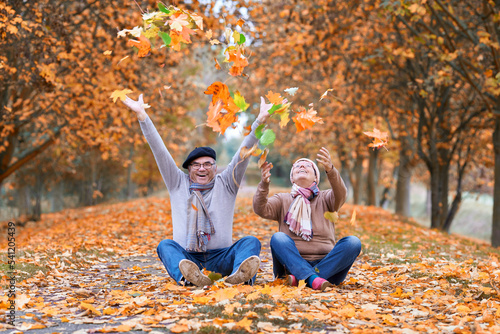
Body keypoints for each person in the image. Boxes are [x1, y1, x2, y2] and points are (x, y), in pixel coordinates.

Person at [123, 94, 271, 287]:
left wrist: (259, 121)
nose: (202, 168)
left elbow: (243, 153)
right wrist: (143, 116)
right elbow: (159, 150)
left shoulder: (226, 183)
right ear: (189, 169)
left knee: (251, 241)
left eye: (207, 164)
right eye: (196, 165)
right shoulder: (177, 182)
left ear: (215, 167)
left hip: (221, 257)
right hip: (187, 259)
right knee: (165, 246)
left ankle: (239, 277)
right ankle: (189, 279)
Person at [253, 147, 361, 291]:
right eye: (297, 166)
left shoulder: (326, 198)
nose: (302, 166)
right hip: (289, 267)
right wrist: (264, 185)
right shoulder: (282, 199)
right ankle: (312, 279)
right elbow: (260, 209)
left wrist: (331, 170)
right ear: (292, 178)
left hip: (327, 266)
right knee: (278, 238)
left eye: (307, 165)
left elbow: (341, 194)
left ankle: (305, 278)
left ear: (316, 177)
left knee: (353, 242)